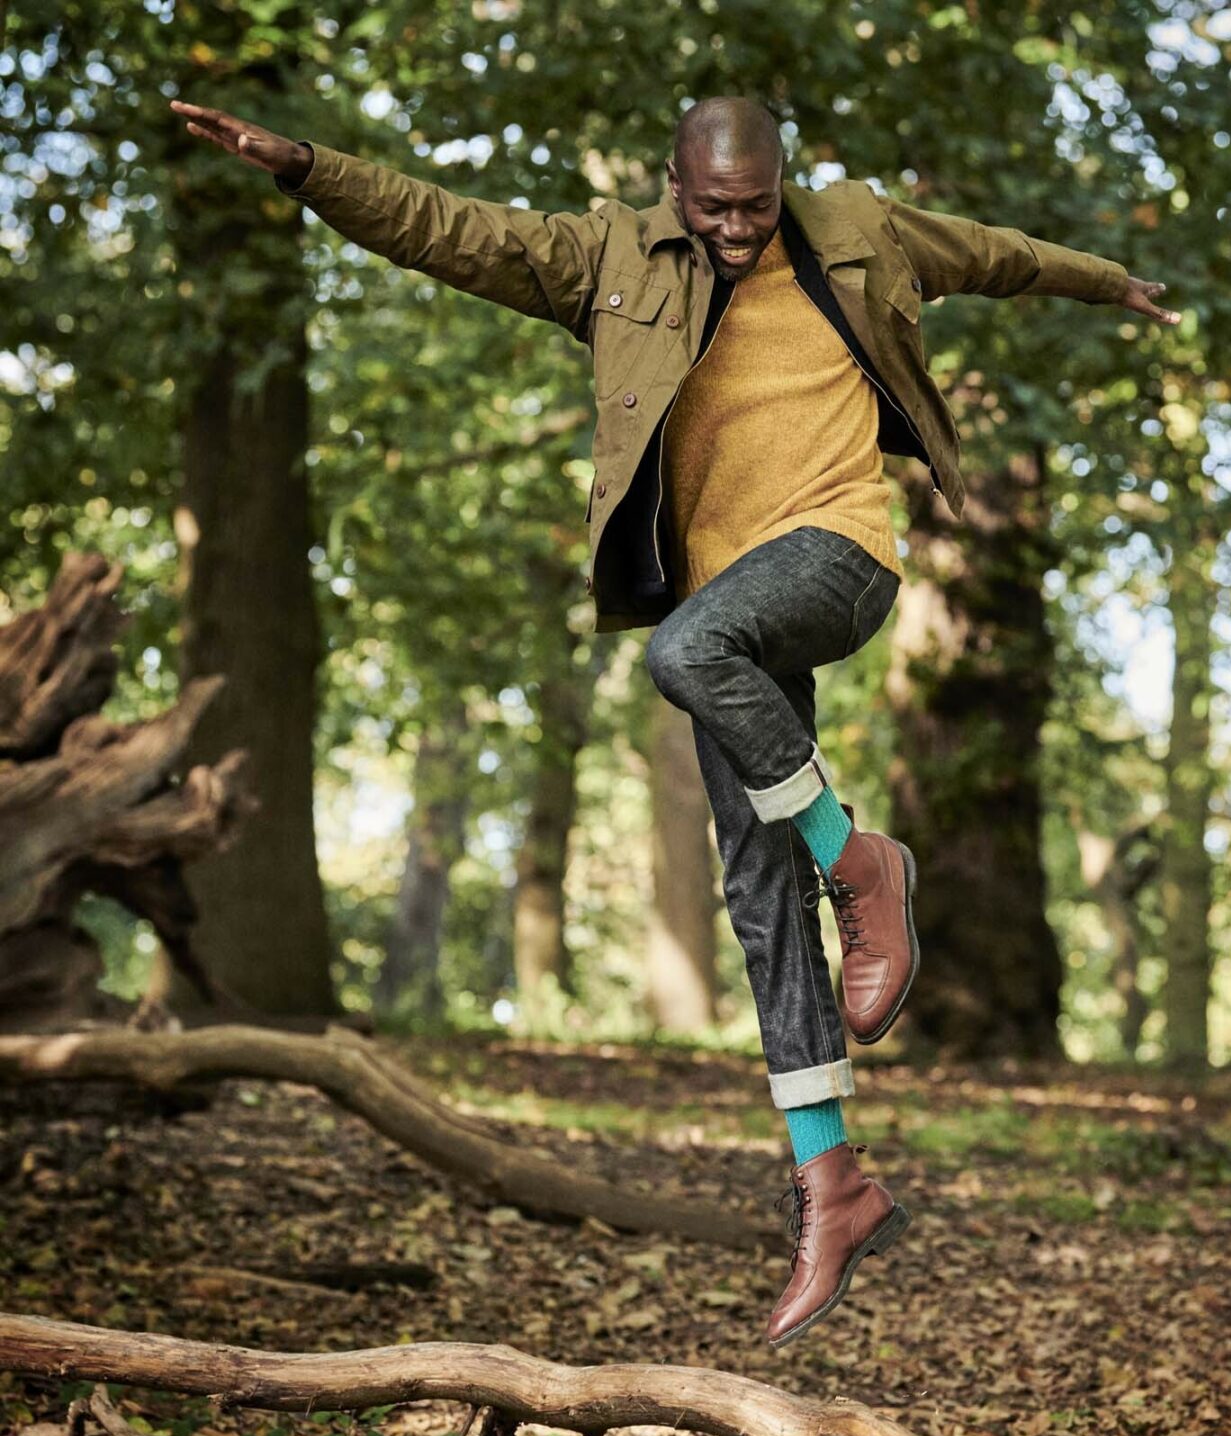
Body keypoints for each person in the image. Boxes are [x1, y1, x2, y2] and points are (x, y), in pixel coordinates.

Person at [172, 92, 1179, 1347]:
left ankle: (862, 861)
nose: (740, 231)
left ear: (783, 182)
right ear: (673, 186)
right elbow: (447, 228)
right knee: (757, 899)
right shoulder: (607, 258)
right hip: (729, 606)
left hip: (835, 555)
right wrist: (308, 169)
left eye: (757, 206)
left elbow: (1002, 253)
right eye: (714, 211)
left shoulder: (859, 230)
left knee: (688, 652)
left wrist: (1113, 281)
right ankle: (835, 1183)